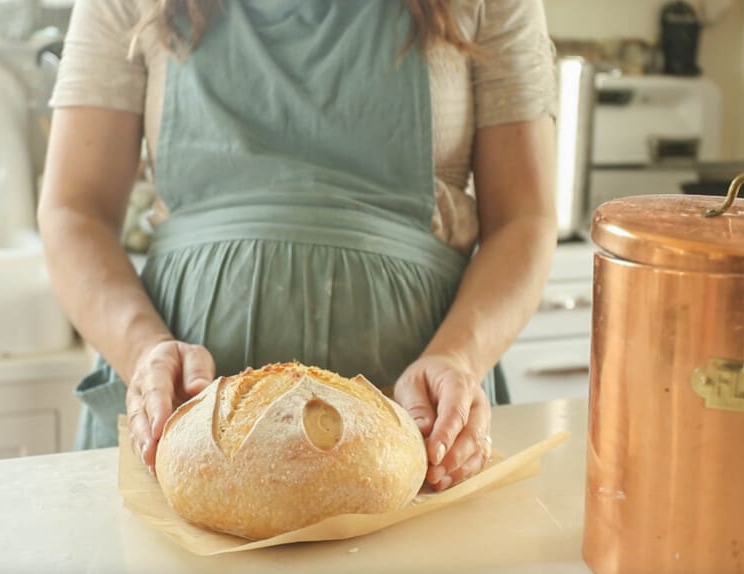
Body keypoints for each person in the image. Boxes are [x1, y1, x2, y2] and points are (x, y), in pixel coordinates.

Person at [38, 0, 558, 493]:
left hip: (420, 433)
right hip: (177, 431)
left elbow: (523, 218)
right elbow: (73, 211)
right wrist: (142, 350)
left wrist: (458, 357)